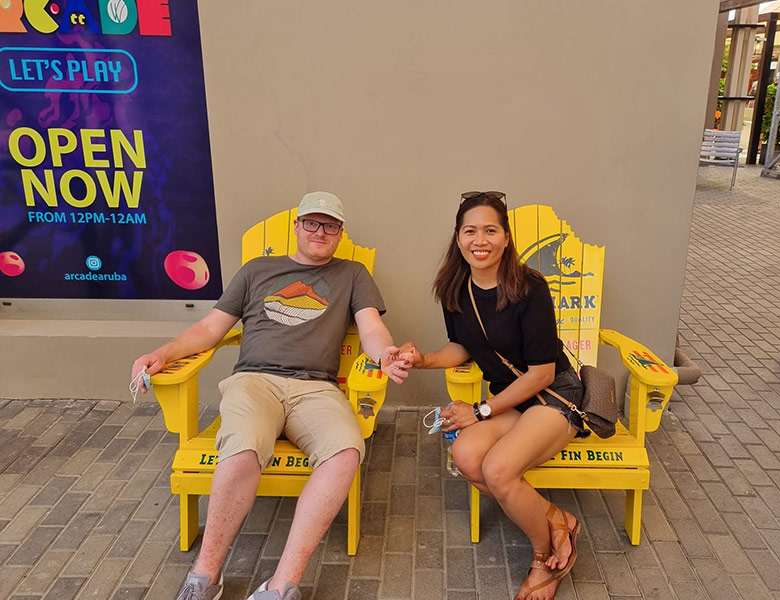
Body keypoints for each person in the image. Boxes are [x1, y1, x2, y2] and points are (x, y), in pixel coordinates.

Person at [131, 191, 409, 600]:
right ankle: (205, 575)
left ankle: (282, 585)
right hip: (255, 381)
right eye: (312, 223)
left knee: (346, 452)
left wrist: (384, 353)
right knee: (242, 450)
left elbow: (370, 328)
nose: (320, 232)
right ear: (296, 226)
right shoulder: (257, 269)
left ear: (340, 233)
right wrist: (161, 353)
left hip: (317, 387)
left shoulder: (352, 274)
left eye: (330, 225)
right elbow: (210, 330)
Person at [399, 191, 587, 600]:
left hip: (553, 396)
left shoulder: (529, 288)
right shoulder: (454, 288)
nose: (479, 240)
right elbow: (462, 346)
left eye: (490, 230)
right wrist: (423, 359)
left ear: (505, 238)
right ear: (458, 237)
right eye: (470, 230)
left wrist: (480, 410)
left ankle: (544, 559)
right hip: (513, 398)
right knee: (466, 456)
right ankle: (556, 519)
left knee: (499, 469)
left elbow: (541, 373)